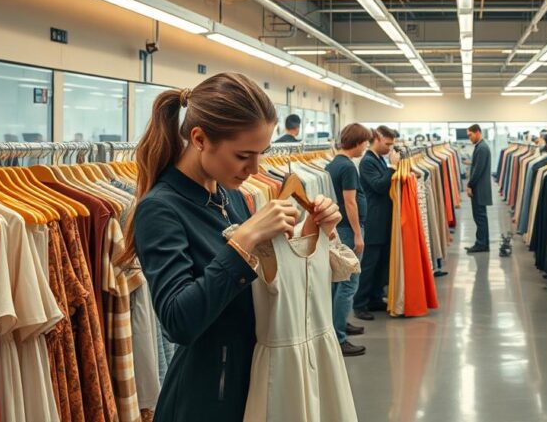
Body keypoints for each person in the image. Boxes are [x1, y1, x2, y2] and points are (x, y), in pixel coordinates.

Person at [128, 73, 343, 421]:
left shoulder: (230, 196)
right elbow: (178, 321)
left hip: (252, 380)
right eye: (243, 155)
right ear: (199, 139)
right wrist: (243, 241)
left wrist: (312, 231)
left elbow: (262, 286)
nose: (255, 168)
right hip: (207, 396)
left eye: (262, 154)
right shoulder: (161, 208)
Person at [325, 123, 373, 356]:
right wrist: (357, 233)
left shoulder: (333, 164)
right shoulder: (347, 168)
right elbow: (350, 202)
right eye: (365, 142)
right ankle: (339, 337)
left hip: (339, 229)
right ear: (357, 142)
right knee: (348, 283)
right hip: (347, 229)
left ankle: (339, 324)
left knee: (339, 281)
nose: (366, 146)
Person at [354, 125, 400, 320]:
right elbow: (380, 186)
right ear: (378, 139)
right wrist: (392, 167)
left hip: (384, 219)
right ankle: (360, 304)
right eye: (387, 144)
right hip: (374, 220)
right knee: (370, 263)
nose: (390, 148)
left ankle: (374, 297)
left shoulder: (379, 160)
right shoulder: (367, 162)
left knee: (381, 262)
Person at [465, 124, 493, 253]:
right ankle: (482, 243)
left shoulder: (481, 148)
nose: (469, 138)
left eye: (470, 135)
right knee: (481, 217)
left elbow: (478, 170)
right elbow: (478, 164)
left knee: (479, 217)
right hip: (481, 188)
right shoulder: (481, 146)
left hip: (479, 188)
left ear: (477, 132)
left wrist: (470, 184)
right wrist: (471, 162)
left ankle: (481, 244)